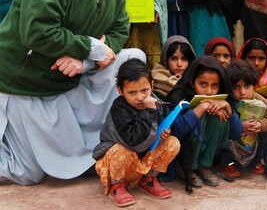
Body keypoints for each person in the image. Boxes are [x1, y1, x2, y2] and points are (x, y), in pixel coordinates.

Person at [0, 0, 146, 185]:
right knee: (27, 171)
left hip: (68, 77)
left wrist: (86, 61)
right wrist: (92, 48)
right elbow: (37, 33)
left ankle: (115, 140)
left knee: (132, 57)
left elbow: (119, 28)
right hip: (26, 80)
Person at [93, 58, 180, 207]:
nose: (140, 97)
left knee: (172, 142)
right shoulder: (119, 110)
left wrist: (164, 131)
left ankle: (148, 178)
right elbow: (135, 143)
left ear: (152, 86)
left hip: (139, 164)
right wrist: (148, 113)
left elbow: (159, 125)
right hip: (119, 162)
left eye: (145, 90)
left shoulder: (155, 102)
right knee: (121, 150)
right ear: (120, 91)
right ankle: (117, 185)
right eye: (132, 92)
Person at [166, 55, 242, 190]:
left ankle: (204, 165)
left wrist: (228, 108)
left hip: (207, 153)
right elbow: (174, 130)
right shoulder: (179, 95)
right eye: (203, 84)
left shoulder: (223, 97)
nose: (209, 92)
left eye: (215, 86)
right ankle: (187, 168)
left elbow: (236, 133)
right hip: (181, 154)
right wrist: (200, 109)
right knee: (200, 119)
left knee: (220, 118)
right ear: (191, 82)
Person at [217, 60, 267, 178]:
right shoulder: (227, 102)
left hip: (252, 140)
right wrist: (240, 126)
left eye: (247, 86)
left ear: (254, 85)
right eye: (236, 87)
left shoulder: (262, 102)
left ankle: (253, 162)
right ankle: (225, 164)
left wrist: (260, 124)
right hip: (234, 140)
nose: (242, 92)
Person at [152, 35, 196, 100]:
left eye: (184, 59)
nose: (179, 64)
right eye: (174, 59)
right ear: (165, 59)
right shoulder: (155, 80)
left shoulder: (198, 79)